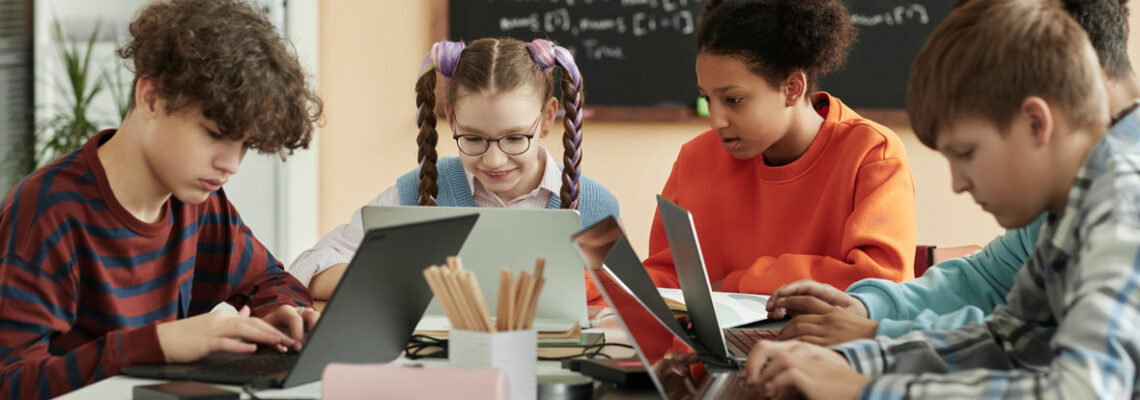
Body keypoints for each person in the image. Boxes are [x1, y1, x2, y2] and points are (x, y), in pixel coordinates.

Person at [745, 0, 1140, 397]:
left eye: (966, 153)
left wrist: (865, 389)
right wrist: (856, 361)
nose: (957, 185)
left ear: (1036, 121)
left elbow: (1085, 391)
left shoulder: (1121, 199)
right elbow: (1009, 341)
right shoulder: (1071, 204)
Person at [0, 0, 324, 397]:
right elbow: (11, 380)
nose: (231, 164)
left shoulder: (201, 204)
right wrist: (160, 343)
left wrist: (281, 314)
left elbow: (271, 281)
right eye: (214, 133)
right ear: (151, 98)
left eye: (244, 145)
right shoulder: (49, 209)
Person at [615, 0, 916, 304]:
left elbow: (880, 283)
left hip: (823, 349)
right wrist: (594, 285)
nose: (715, 120)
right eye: (707, 98)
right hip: (712, 350)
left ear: (792, 89)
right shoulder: (695, 159)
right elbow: (670, 281)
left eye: (733, 100)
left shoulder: (872, 154)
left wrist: (740, 283)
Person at [288, 38, 619, 301]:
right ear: (451, 116)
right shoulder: (417, 192)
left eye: (515, 138)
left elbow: (616, 306)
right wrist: (406, 279)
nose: (494, 161)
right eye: (473, 138)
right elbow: (309, 267)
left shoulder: (595, 207)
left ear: (548, 117)